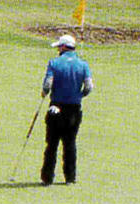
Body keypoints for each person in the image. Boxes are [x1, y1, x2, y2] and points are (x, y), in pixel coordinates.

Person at [40, 34, 94, 185]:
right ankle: (70, 178)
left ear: (63, 47)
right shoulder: (83, 65)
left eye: (59, 47)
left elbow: (47, 85)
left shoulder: (54, 63)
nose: (58, 49)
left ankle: (47, 178)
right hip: (74, 109)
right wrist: (79, 95)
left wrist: (44, 93)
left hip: (56, 107)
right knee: (70, 143)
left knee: (52, 144)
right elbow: (89, 87)